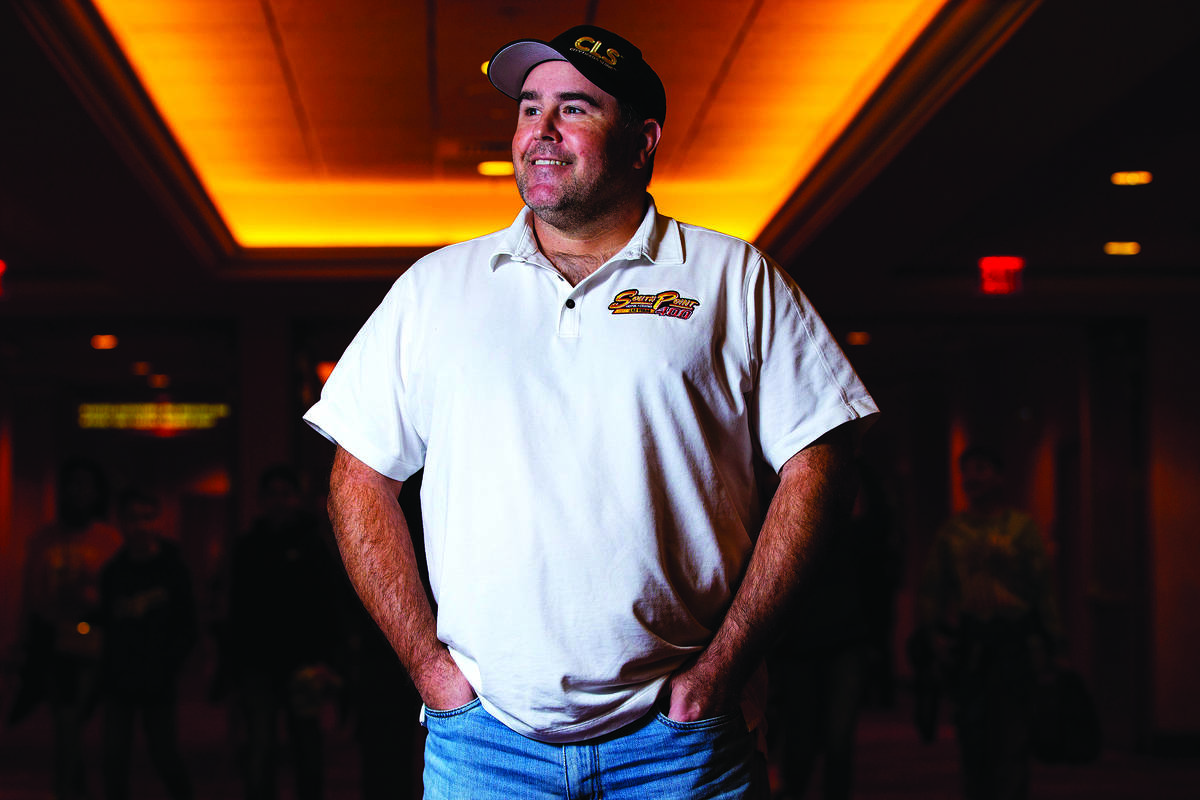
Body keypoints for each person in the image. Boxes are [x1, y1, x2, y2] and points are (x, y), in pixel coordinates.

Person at [304, 24, 879, 799]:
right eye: (528, 107)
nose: (539, 131)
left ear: (644, 141)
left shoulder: (730, 276)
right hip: (486, 747)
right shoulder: (436, 288)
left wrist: (724, 666)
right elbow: (358, 477)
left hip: (681, 743)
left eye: (574, 109)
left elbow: (822, 463)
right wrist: (430, 671)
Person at [916, 445, 1065, 800]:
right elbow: (932, 590)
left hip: (1014, 643)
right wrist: (933, 634)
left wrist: (1056, 647)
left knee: (1013, 739)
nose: (971, 478)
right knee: (973, 737)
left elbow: (1043, 589)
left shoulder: (1021, 528)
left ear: (999, 476)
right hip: (972, 646)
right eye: (966, 470)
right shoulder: (952, 532)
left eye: (981, 469)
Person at [225, 465, 347, 800]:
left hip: (303, 662)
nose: (279, 501)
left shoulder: (313, 546)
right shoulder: (249, 547)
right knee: (260, 746)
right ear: (262, 500)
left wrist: (328, 659)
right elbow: (237, 607)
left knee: (306, 745)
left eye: (285, 493)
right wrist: (234, 665)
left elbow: (329, 604)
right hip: (258, 662)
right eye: (272, 493)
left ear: (295, 498)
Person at [16, 458, 122, 800]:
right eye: (71, 484)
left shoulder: (108, 540)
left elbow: (117, 594)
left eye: (85, 485)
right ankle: (69, 787)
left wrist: (93, 599)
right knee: (65, 720)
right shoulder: (44, 539)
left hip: (93, 636)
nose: (78, 492)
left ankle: (77, 785)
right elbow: (30, 592)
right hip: (52, 636)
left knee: (79, 720)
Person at [98, 488, 196, 800]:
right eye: (132, 519)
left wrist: (170, 662)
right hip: (118, 679)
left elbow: (187, 623)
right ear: (121, 523)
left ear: (156, 521)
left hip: (158, 678)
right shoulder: (113, 572)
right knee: (114, 758)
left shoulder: (173, 570)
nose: (139, 526)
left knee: (164, 754)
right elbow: (105, 622)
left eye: (146, 518)